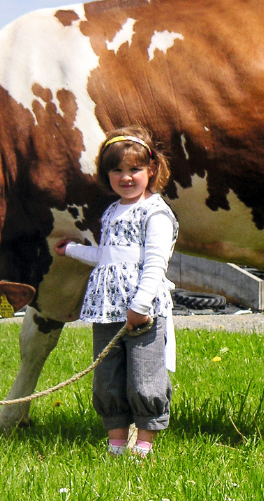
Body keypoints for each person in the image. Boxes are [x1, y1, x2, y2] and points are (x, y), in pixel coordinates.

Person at [54, 126, 178, 458]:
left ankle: (144, 446)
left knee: (144, 376)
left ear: (151, 170)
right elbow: (107, 257)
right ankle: (117, 444)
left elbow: (154, 263)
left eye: (134, 169)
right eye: (117, 170)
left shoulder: (156, 213)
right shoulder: (112, 212)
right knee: (107, 378)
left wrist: (140, 303)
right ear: (106, 173)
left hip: (143, 310)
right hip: (108, 307)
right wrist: (73, 251)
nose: (126, 177)